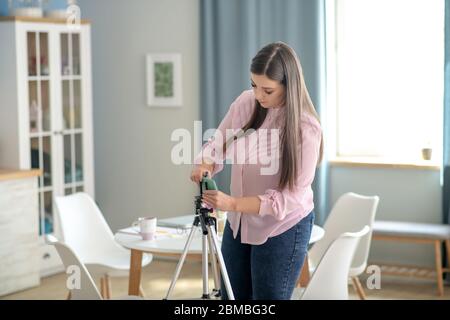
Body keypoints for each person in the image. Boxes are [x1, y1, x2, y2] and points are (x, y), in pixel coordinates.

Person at [190, 42, 323, 300]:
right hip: (239, 223)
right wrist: (205, 163)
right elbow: (218, 142)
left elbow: (290, 198)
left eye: (268, 90)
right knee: (231, 297)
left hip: (282, 226)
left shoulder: (306, 129)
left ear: (289, 85)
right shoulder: (246, 102)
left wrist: (233, 203)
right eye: (254, 85)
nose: (259, 95)